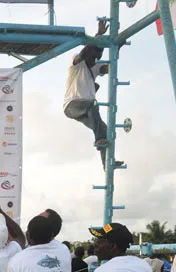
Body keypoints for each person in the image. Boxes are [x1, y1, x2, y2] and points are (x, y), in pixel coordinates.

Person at [63, 20, 121, 170]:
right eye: (91, 58)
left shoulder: (94, 67)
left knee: (105, 130)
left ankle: (107, 164)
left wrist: (117, 47)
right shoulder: (76, 64)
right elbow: (84, 53)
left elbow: (109, 67)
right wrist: (99, 34)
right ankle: (100, 140)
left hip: (86, 109)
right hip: (73, 105)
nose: (92, 61)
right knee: (93, 106)